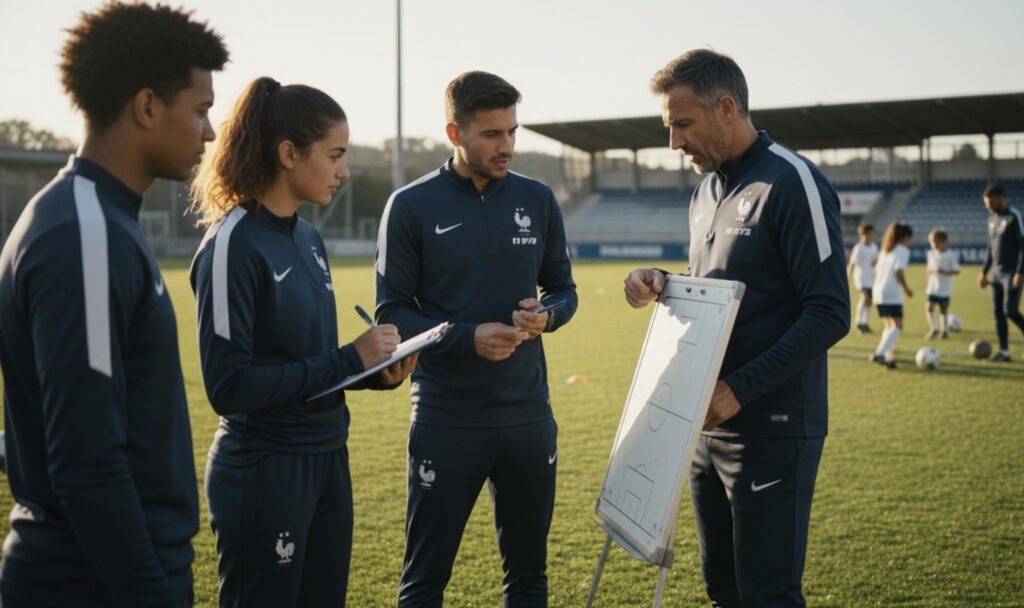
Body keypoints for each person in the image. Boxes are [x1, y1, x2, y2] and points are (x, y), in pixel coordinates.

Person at [0, 4, 227, 606]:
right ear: (147, 106)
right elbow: (88, 462)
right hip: (90, 584)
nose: (210, 131)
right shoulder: (83, 234)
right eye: (201, 109)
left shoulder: (100, 220)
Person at [623, 50, 848, 607]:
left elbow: (829, 311)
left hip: (771, 428)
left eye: (682, 124)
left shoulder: (792, 181)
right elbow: (717, 291)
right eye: (668, 127)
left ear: (726, 108)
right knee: (722, 589)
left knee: (765, 595)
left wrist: (738, 390)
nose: (673, 142)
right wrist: (664, 282)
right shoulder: (705, 192)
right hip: (702, 429)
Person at [188, 78, 416, 608]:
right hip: (266, 469)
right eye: (335, 155)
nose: (344, 171)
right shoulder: (232, 244)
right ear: (289, 153)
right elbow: (230, 386)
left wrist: (373, 372)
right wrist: (347, 358)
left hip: (328, 456)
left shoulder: (309, 239)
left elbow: (304, 362)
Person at [375, 71, 578, 607]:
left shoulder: (537, 199)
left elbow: (563, 290)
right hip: (448, 418)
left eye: (512, 131)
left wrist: (547, 315)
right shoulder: (411, 205)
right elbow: (391, 312)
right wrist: (467, 339)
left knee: (529, 579)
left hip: (528, 418)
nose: (506, 145)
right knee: (424, 582)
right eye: (491, 134)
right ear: (454, 133)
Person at [978, 184, 1024, 361]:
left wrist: (1020, 272)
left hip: (1012, 272)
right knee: (998, 312)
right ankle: (1004, 352)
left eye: (990, 203)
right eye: (986, 204)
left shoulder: (1014, 216)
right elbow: (990, 248)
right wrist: (984, 272)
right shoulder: (991, 220)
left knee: (1010, 310)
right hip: (996, 274)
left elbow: (1023, 246)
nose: (988, 206)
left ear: (1001, 198)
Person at [870, 222, 914, 368]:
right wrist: (907, 289)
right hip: (891, 292)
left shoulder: (885, 250)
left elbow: (876, 270)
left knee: (889, 326)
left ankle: (888, 358)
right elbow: (898, 271)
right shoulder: (902, 250)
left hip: (878, 291)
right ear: (906, 237)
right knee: (897, 326)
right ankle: (879, 353)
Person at [924, 228, 960, 339]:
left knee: (943, 309)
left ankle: (944, 331)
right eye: (931, 243)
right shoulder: (931, 254)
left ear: (943, 242)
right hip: (933, 287)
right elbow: (929, 268)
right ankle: (934, 328)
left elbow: (956, 270)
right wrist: (932, 271)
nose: (933, 245)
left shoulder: (951, 255)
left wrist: (945, 272)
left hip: (945, 288)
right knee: (929, 307)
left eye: (935, 242)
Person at [848, 223, 879, 333]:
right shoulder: (859, 247)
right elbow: (852, 263)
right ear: (863, 234)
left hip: (871, 278)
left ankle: (864, 323)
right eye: (870, 233)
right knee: (865, 298)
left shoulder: (874, 247)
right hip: (861, 278)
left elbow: (876, 262)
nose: (872, 235)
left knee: (869, 301)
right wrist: (848, 276)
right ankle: (858, 322)